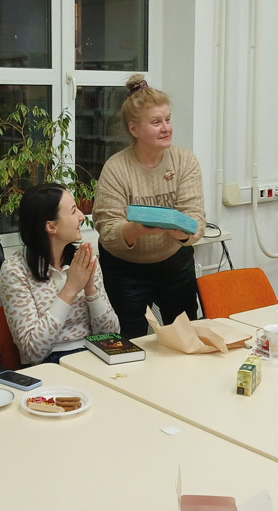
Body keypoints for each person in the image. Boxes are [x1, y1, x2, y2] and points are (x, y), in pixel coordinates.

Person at [92, 74, 206, 338]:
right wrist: (136, 229)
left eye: (168, 119)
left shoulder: (185, 161)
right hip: (125, 271)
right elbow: (107, 230)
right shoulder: (116, 168)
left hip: (175, 263)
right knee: (131, 342)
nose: (166, 128)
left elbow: (196, 218)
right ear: (134, 129)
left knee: (185, 338)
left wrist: (182, 232)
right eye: (156, 122)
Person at [0, 184, 120, 364]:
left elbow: (111, 335)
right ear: (51, 226)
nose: (82, 216)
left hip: (93, 354)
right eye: (73, 211)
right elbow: (32, 352)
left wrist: (90, 290)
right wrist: (70, 289)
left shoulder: (82, 260)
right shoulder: (15, 270)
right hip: (49, 365)